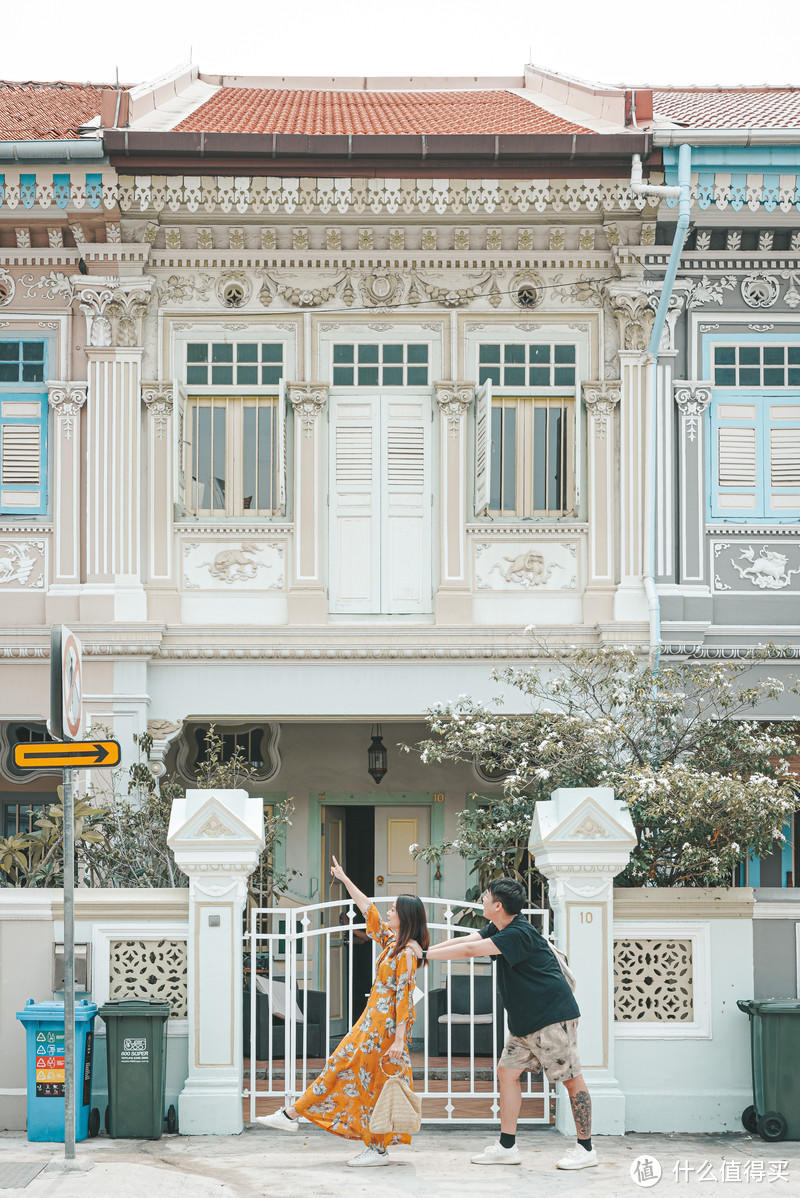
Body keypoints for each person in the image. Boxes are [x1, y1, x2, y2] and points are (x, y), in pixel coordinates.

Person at [256, 854, 429, 1168]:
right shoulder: (392, 943)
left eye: (394, 909)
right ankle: (291, 1114)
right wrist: (345, 878)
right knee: (338, 1067)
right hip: (369, 1024)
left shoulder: (406, 954)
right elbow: (368, 909)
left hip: (384, 1032)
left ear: (405, 916)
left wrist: (400, 1040)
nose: (388, 911)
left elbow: (404, 999)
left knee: (369, 1083)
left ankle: (375, 1148)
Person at [420, 877, 596, 1171]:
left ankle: (586, 1148)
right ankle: (507, 1146)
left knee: (570, 1078)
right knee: (507, 1073)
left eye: (486, 897)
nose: (482, 901)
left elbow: (469, 952)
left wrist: (424, 955)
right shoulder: (501, 926)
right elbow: (468, 941)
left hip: (551, 1017)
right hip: (526, 1022)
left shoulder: (518, 933)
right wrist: (426, 950)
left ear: (498, 905)